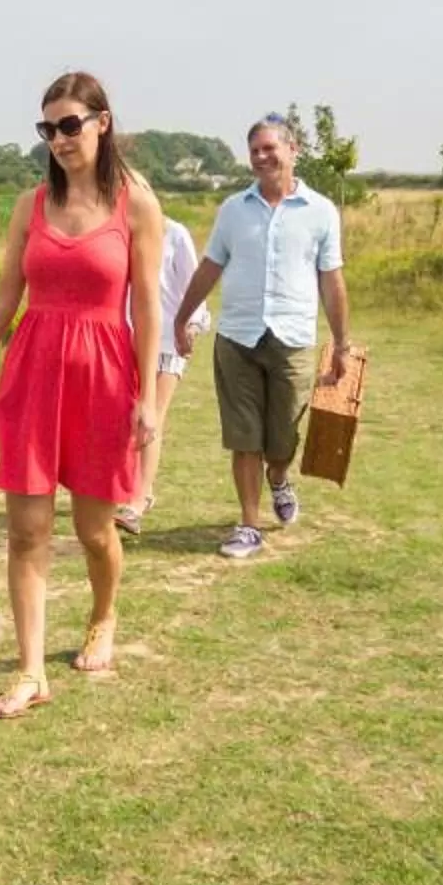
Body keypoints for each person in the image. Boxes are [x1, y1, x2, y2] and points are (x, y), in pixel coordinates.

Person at [0, 71, 163, 720]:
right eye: (48, 128)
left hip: (104, 376)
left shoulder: (137, 204)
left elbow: (147, 305)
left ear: (103, 122)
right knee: (27, 531)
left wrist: (148, 397)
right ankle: (31, 671)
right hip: (35, 371)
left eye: (70, 125)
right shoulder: (31, 205)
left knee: (95, 530)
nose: (60, 139)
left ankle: (103, 616)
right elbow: (4, 295)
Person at [170, 113, 353, 561]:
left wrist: (341, 344)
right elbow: (210, 266)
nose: (261, 157)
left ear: (293, 150)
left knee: (282, 437)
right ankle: (249, 525)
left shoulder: (321, 212)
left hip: (292, 339)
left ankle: (279, 477)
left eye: (270, 148)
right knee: (244, 437)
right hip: (237, 338)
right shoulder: (233, 210)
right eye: (254, 150)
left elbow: (332, 281)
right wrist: (181, 317)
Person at [115, 213, 206, 536]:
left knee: (152, 416)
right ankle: (136, 487)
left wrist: (192, 325)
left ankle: (137, 502)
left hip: (167, 339)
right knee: (125, 417)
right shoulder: (116, 231)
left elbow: (194, 284)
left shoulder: (175, 234)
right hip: (124, 338)